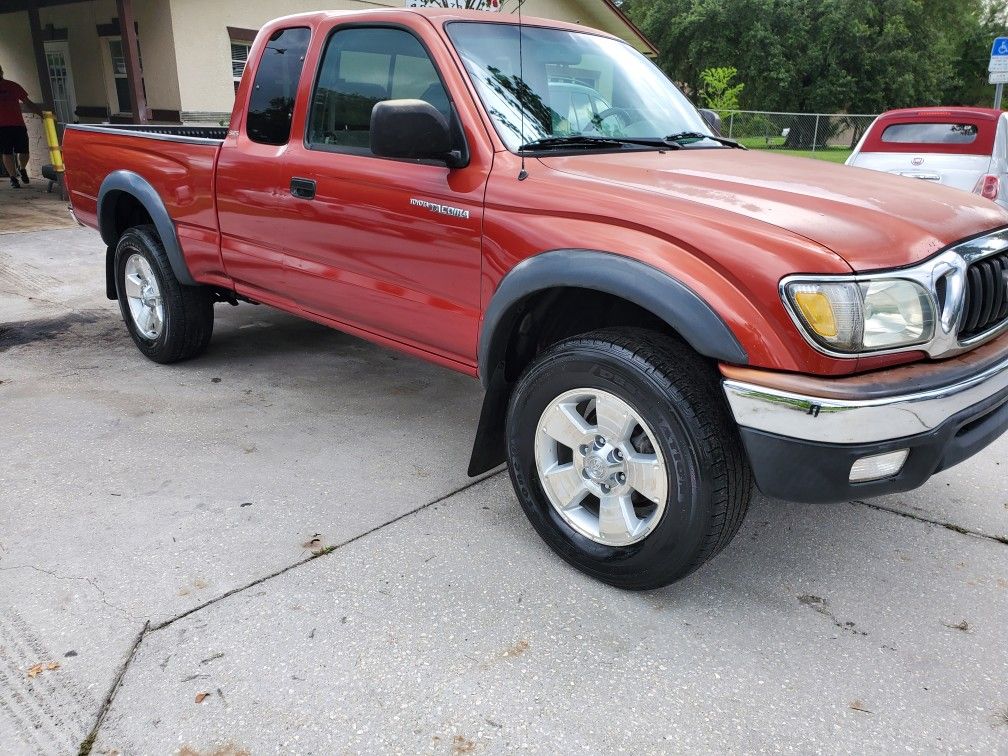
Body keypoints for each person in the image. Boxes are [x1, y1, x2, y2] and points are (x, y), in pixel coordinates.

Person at [0, 63, 44, 189]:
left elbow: (28, 102)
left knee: (24, 151)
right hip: (2, 127)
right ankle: (13, 178)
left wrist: (41, 114)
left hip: (17, 124)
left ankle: (22, 168)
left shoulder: (13, 86)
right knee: (6, 152)